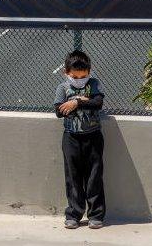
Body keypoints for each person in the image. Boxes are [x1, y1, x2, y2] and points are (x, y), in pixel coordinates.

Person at [54, 49, 105, 230]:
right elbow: (59, 111)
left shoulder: (94, 84)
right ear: (66, 73)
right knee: (73, 177)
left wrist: (77, 102)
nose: (79, 80)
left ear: (89, 72)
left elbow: (97, 103)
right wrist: (80, 100)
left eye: (83, 76)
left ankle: (96, 215)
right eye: (75, 77)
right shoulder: (62, 88)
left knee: (94, 176)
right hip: (71, 138)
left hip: (93, 137)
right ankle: (74, 214)